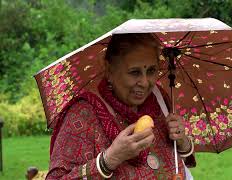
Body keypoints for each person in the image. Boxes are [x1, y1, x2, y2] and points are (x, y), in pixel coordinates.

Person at [46, 33, 196, 179]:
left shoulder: (158, 98)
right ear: (109, 70)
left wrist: (182, 142)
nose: (145, 82)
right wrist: (110, 159)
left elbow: (181, 158)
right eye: (134, 72)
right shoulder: (83, 115)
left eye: (151, 70)